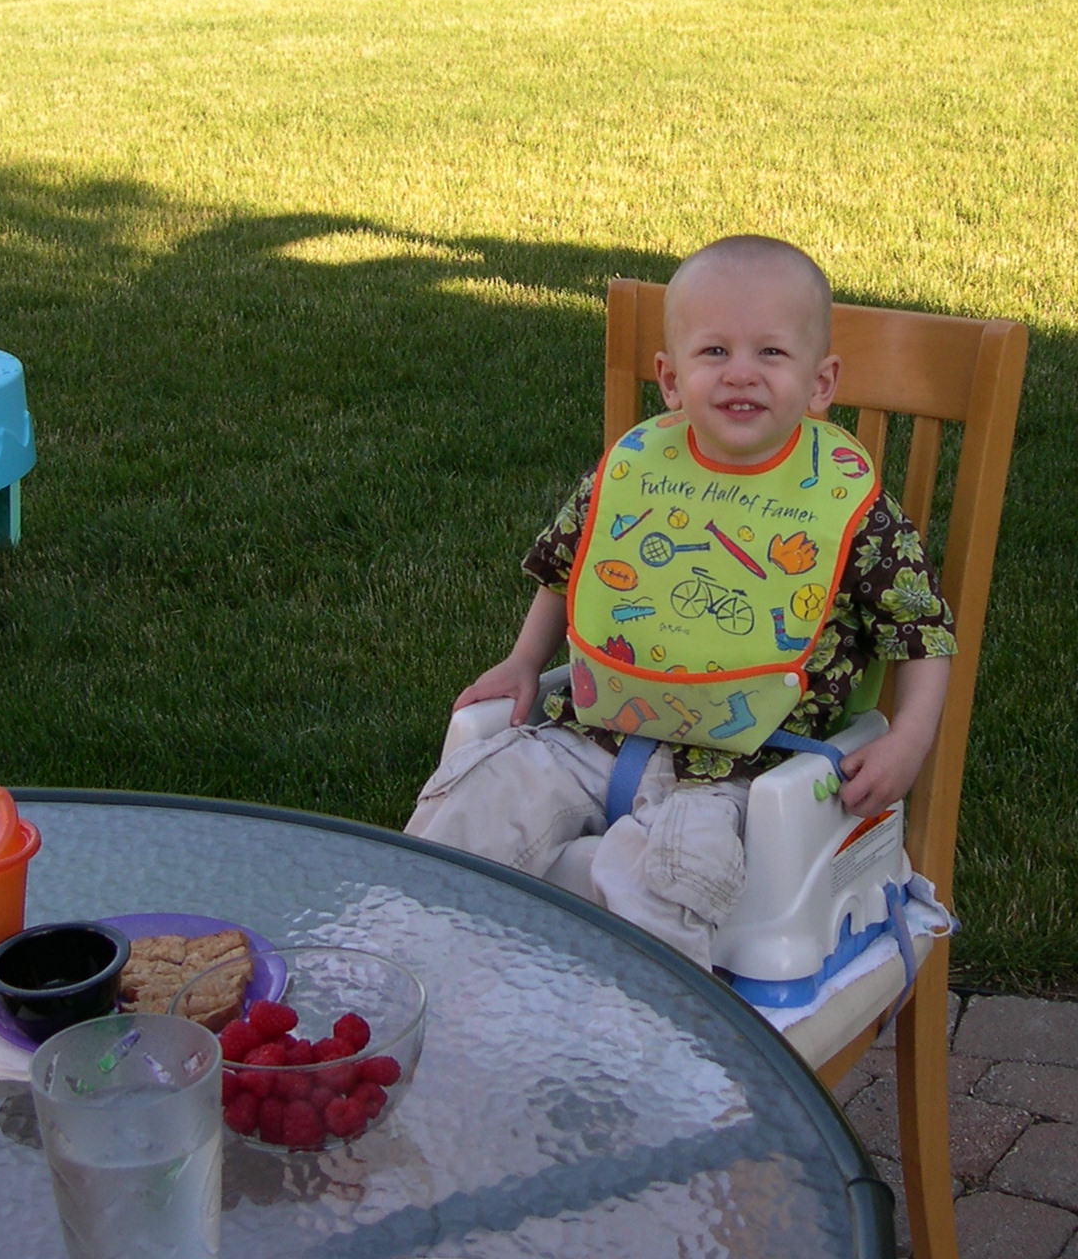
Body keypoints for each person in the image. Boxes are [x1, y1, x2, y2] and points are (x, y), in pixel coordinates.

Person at [405, 235, 956, 969]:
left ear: (822, 383)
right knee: (472, 800)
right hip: (590, 731)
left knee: (674, 876)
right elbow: (569, 570)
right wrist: (522, 660)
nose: (742, 375)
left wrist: (908, 743)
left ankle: (637, 1040)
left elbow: (921, 635)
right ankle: (408, 970)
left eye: (771, 353)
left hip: (742, 775)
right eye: (715, 353)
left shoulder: (852, 510)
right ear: (669, 379)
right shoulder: (635, 471)